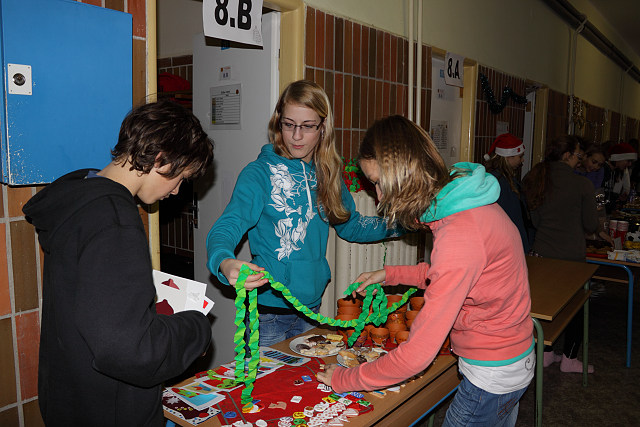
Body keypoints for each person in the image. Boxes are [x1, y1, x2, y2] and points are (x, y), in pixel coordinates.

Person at [317, 116, 534, 427]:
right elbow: (454, 275)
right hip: (510, 358)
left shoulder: (459, 234)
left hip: (492, 373)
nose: (379, 199)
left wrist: (344, 378)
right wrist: (389, 275)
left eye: (379, 183)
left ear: (405, 174)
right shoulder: (463, 203)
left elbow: (415, 356)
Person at [22, 100, 214, 426]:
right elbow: (130, 350)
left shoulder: (82, 198)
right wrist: (197, 329)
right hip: (109, 411)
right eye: (181, 178)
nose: (177, 190)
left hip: (71, 398)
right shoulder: (114, 220)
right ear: (161, 158)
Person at [206, 80, 400, 346]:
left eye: (308, 126)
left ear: (323, 127)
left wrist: (401, 223)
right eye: (289, 124)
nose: (296, 136)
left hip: (311, 308)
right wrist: (224, 261)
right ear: (278, 123)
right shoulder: (258, 174)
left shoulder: (328, 173)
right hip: (268, 314)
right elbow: (227, 226)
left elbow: (351, 225)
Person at [522, 135, 598, 373]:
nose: (580, 160)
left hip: (542, 253)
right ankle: (570, 359)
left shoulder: (535, 178)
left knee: (545, 306)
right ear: (567, 156)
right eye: (578, 155)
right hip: (571, 257)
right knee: (575, 308)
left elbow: (534, 220)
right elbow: (591, 224)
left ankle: (544, 353)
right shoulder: (582, 184)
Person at [483, 133, 533, 253]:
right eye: (520, 156)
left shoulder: (506, 179)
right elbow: (511, 216)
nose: (522, 160)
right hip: (508, 244)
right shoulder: (500, 182)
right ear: (508, 157)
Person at [602, 142, 637, 212]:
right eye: (628, 161)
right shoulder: (604, 169)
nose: (629, 164)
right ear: (618, 158)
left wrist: (618, 198)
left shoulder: (615, 171)